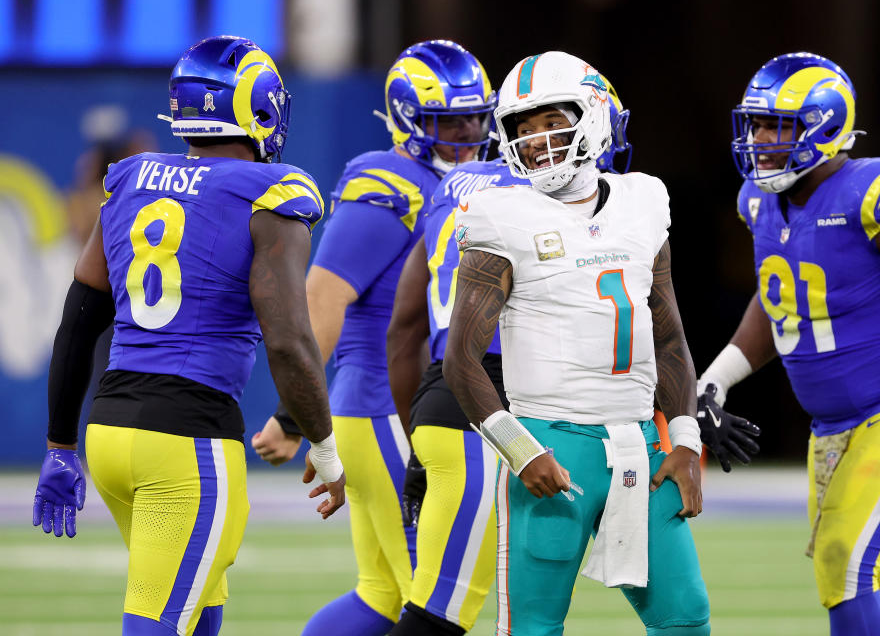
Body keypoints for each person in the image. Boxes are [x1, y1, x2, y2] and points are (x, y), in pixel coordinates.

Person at [31, 36, 346, 636]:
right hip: (187, 441)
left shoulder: (128, 179)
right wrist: (325, 450)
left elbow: (78, 318)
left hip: (109, 431)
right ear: (260, 108)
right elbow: (288, 339)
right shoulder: (272, 192)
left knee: (199, 614)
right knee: (159, 621)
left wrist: (58, 444)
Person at [443, 51, 711, 635]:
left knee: (686, 619)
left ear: (592, 114)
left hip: (641, 442)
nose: (535, 140)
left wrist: (686, 440)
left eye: (551, 121)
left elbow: (667, 333)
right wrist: (521, 450)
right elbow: (460, 358)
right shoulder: (498, 214)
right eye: (522, 127)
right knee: (534, 629)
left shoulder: (643, 199)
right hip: (552, 442)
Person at [250, 40, 496, 635]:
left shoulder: (454, 186)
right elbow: (322, 296)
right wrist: (292, 415)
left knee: (382, 598)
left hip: (382, 411)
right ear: (410, 122)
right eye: (448, 122)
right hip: (386, 408)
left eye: (473, 120)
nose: (465, 136)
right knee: (431, 604)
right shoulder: (389, 184)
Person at [384, 74, 634, 636]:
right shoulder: (566, 201)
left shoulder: (459, 184)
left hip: (442, 401)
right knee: (441, 612)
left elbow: (405, 330)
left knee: (512, 609)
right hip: (507, 408)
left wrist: (418, 444)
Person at [698, 51, 880, 635]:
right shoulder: (758, 202)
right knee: (842, 577)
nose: (761, 139)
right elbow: (779, 298)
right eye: (756, 124)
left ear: (825, 126)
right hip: (831, 429)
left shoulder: (867, 192)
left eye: (780, 124)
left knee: (847, 567)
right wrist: (718, 377)